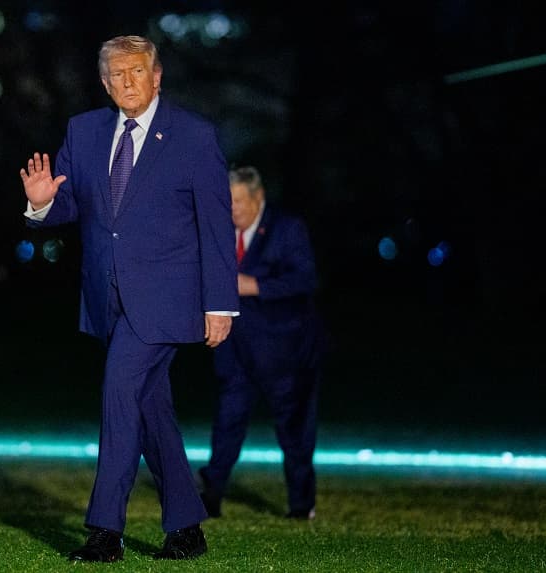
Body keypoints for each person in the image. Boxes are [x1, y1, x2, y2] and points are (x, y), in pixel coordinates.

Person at [19, 35, 239, 562]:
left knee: (119, 392)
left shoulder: (193, 136)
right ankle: (186, 528)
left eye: (137, 71)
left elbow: (216, 225)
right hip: (108, 298)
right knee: (150, 407)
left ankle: (105, 531)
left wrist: (220, 304)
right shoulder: (85, 130)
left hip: (167, 301)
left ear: (156, 77)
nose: (127, 82)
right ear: (104, 82)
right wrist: (42, 205)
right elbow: (73, 204)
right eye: (116, 74)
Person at [198, 166, 327, 521]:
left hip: (286, 351)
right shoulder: (218, 230)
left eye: (238, 201)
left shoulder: (287, 228)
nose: (232, 208)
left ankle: (301, 504)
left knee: (294, 429)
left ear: (258, 198)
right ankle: (211, 495)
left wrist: (255, 285)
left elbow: (306, 279)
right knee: (227, 422)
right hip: (235, 350)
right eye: (227, 201)